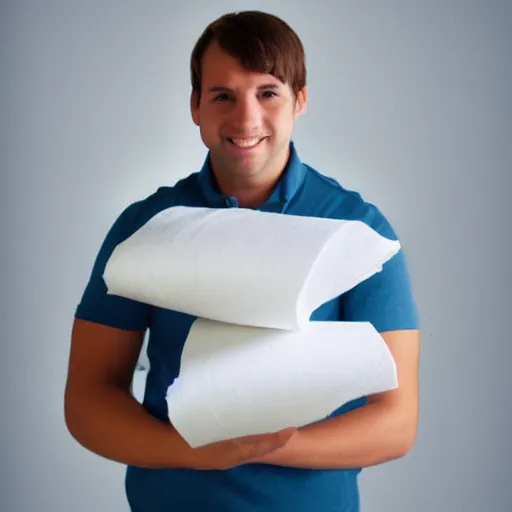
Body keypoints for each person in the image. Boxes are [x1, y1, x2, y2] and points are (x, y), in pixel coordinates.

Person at [64, 10, 420, 512]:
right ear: (195, 105)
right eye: (223, 95)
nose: (246, 119)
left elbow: (396, 422)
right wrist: (191, 452)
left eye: (267, 93)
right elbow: (87, 401)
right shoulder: (146, 226)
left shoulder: (357, 230)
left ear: (300, 100)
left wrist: (268, 446)